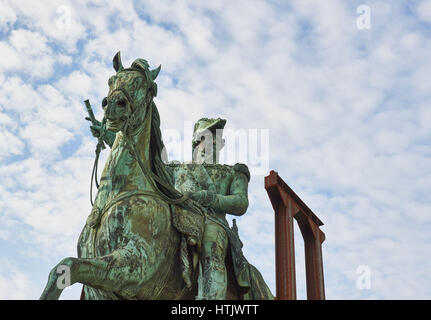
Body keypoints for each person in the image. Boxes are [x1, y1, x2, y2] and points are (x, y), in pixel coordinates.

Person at [167, 118, 251, 299]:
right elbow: (150, 167)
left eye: (215, 138)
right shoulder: (179, 168)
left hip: (213, 222)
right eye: (204, 137)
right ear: (196, 142)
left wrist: (210, 198)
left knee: (210, 247)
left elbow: (240, 202)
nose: (210, 141)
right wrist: (117, 138)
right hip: (181, 217)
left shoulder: (233, 172)